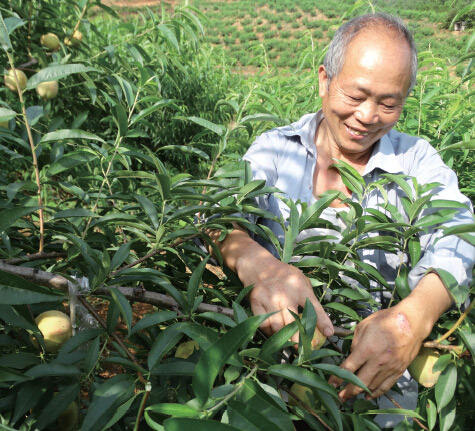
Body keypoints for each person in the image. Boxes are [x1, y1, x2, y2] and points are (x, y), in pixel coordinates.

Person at [209, 12, 474, 427]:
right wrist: (257, 264)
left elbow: (462, 234)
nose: (368, 116)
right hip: (273, 389)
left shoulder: (417, 162)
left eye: (389, 104)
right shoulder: (276, 151)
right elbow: (219, 217)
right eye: (355, 96)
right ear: (324, 80)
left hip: (376, 402)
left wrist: (414, 317)